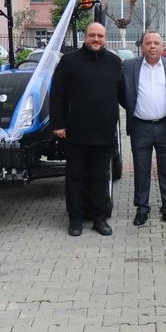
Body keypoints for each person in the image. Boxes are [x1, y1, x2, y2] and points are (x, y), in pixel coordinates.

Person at [50, 22, 121, 237]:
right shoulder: (69, 61)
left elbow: (124, 93)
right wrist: (58, 124)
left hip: (104, 132)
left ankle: (100, 218)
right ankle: (76, 219)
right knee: (75, 177)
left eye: (100, 36)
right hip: (75, 132)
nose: (96, 39)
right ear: (85, 36)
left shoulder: (115, 62)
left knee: (100, 177)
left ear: (105, 38)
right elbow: (57, 94)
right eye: (92, 35)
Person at [121, 30, 166, 227]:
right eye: (149, 43)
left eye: (157, 43)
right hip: (140, 126)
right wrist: (132, 107)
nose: (153, 46)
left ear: (162, 46)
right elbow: (121, 93)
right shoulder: (129, 66)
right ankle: (142, 208)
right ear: (142, 46)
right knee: (141, 168)